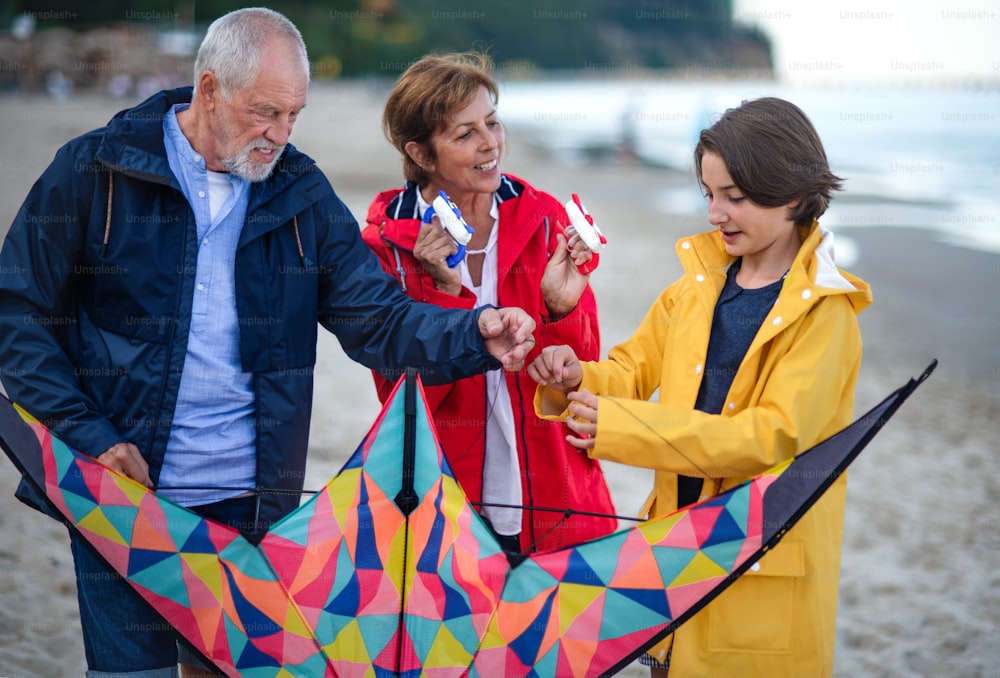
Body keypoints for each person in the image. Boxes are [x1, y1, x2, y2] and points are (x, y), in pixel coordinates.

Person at [0, 9, 535, 678]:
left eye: (294, 115)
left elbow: (377, 319)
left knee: (227, 670)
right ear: (209, 90)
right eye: (265, 113)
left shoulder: (300, 192)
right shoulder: (96, 169)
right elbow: (19, 312)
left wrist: (473, 330)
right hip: (120, 493)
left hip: (252, 504)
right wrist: (84, 433)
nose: (280, 134)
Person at [528, 97, 872, 676]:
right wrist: (575, 378)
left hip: (757, 569)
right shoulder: (695, 288)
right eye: (709, 194)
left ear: (791, 191)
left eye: (734, 197)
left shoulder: (826, 316)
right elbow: (632, 372)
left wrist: (618, 429)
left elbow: (768, 438)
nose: (715, 213)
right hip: (674, 555)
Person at [361, 52, 617, 560]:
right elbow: (401, 398)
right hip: (447, 508)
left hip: (555, 497)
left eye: (493, 123)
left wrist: (561, 308)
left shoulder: (545, 219)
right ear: (422, 153)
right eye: (465, 134)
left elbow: (580, 371)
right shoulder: (386, 248)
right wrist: (443, 294)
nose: (490, 144)